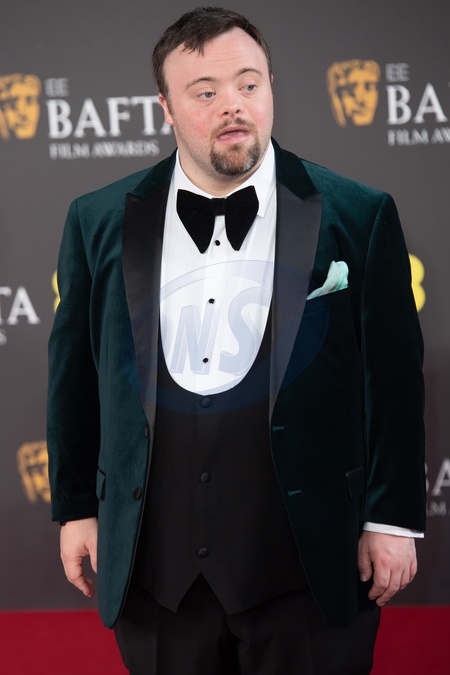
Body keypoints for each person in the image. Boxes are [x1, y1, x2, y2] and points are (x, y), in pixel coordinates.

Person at [47, 7, 426, 674]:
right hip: (156, 574)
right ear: (165, 108)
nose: (233, 105)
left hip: (309, 567)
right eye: (205, 92)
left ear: (271, 86)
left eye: (249, 84)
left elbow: (392, 381)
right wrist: (77, 507)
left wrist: (391, 520)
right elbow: (75, 375)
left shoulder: (359, 213)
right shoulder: (98, 218)